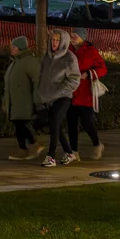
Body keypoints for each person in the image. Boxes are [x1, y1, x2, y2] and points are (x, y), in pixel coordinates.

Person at [36, 29, 81, 167]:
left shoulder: (70, 58)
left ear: (64, 42)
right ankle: (69, 153)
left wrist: (61, 91)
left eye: (57, 40)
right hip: (49, 98)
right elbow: (41, 76)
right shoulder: (47, 57)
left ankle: (51, 156)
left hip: (63, 97)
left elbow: (75, 79)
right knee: (55, 126)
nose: (54, 43)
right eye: (53, 40)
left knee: (55, 123)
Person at [68, 27, 107, 161]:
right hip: (71, 92)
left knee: (87, 122)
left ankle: (97, 144)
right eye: (71, 35)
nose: (72, 38)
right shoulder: (68, 50)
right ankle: (73, 152)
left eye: (75, 35)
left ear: (83, 38)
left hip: (86, 94)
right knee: (71, 123)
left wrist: (89, 74)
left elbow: (102, 68)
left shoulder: (91, 51)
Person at [3, 35, 42, 160]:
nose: (11, 49)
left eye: (13, 47)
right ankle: (27, 147)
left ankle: (28, 147)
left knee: (20, 123)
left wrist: (37, 99)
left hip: (24, 100)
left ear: (20, 48)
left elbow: (37, 80)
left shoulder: (29, 61)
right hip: (15, 100)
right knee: (18, 123)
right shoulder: (15, 62)